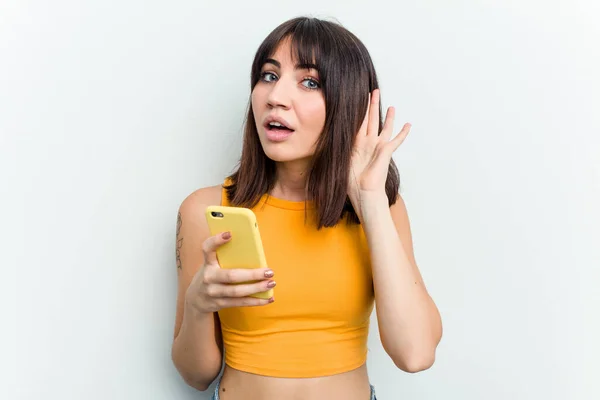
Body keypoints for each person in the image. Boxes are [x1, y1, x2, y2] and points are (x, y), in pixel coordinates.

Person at [171, 16, 442, 400]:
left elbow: (415, 354)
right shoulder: (206, 209)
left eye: (310, 82)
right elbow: (195, 375)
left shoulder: (381, 209)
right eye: (268, 75)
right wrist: (198, 305)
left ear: (347, 104)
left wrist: (371, 202)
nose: (275, 97)